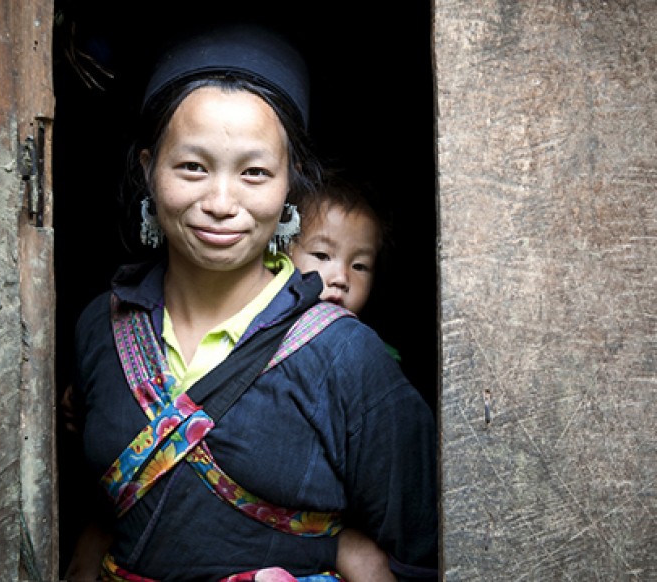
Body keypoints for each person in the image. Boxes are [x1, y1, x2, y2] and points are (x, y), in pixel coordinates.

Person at [65, 22, 438, 582]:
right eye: (192, 166)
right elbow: (99, 506)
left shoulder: (345, 357)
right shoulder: (102, 326)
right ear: (148, 169)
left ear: (290, 186)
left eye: (255, 173)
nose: (221, 202)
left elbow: (421, 552)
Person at [286, 171, 400, 362]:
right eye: (322, 255)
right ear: (282, 255)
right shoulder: (260, 338)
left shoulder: (375, 359)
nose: (341, 278)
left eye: (360, 266)